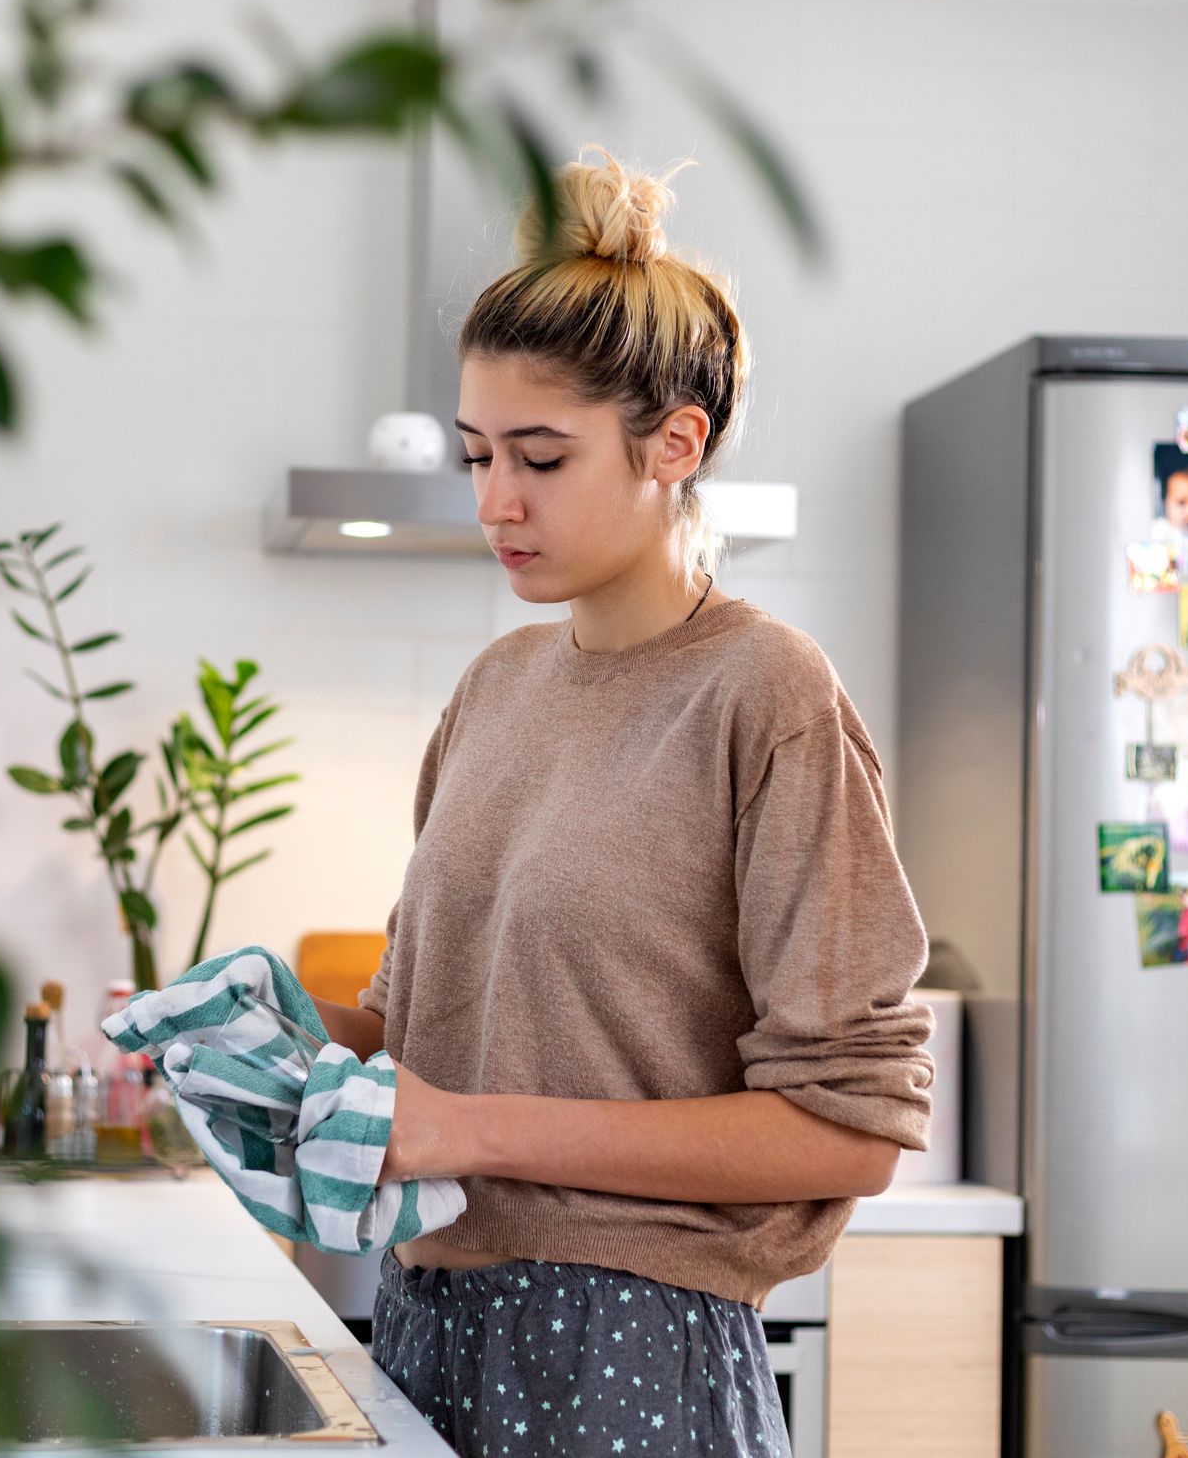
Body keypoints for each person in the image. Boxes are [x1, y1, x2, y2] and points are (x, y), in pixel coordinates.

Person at [307, 146, 934, 1458]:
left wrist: (468, 1126)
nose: (493, 500)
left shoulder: (763, 693)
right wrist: (280, 1035)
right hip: (429, 1316)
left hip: (627, 1352)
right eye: (478, 453)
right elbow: (440, 1025)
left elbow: (847, 1128)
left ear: (673, 443)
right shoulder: (495, 684)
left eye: (537, 456)